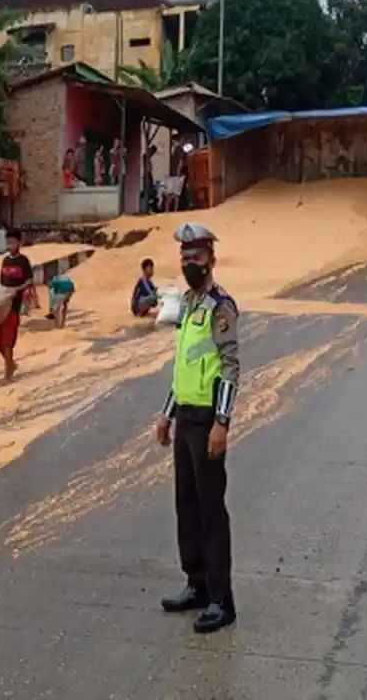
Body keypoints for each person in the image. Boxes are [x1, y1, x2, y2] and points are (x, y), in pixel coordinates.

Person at [153, 221, 240, 635]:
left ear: (211, 259)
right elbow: (183, 365)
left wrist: (222, 422)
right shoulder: (188, 304)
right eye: (185, 257)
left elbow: (229, 366)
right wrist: (166, 413)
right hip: (185, 416)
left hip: (207, 420)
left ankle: (222, 599)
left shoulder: (221, 306)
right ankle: (197, 584)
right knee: (185, 505)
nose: (191, 263)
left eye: (197, 256)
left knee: (210, 509)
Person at [0, 227, 32, 381]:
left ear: (19, 243)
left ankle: (7, 374)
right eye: (8, 242)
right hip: (2, 304)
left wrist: (17, 290)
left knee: (7, 341)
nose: (10, 245)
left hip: (13, 306)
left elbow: (29, 281)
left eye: (13, 242)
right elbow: (1, 280)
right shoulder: (5, 260)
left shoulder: (23, 261)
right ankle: (11, 363)